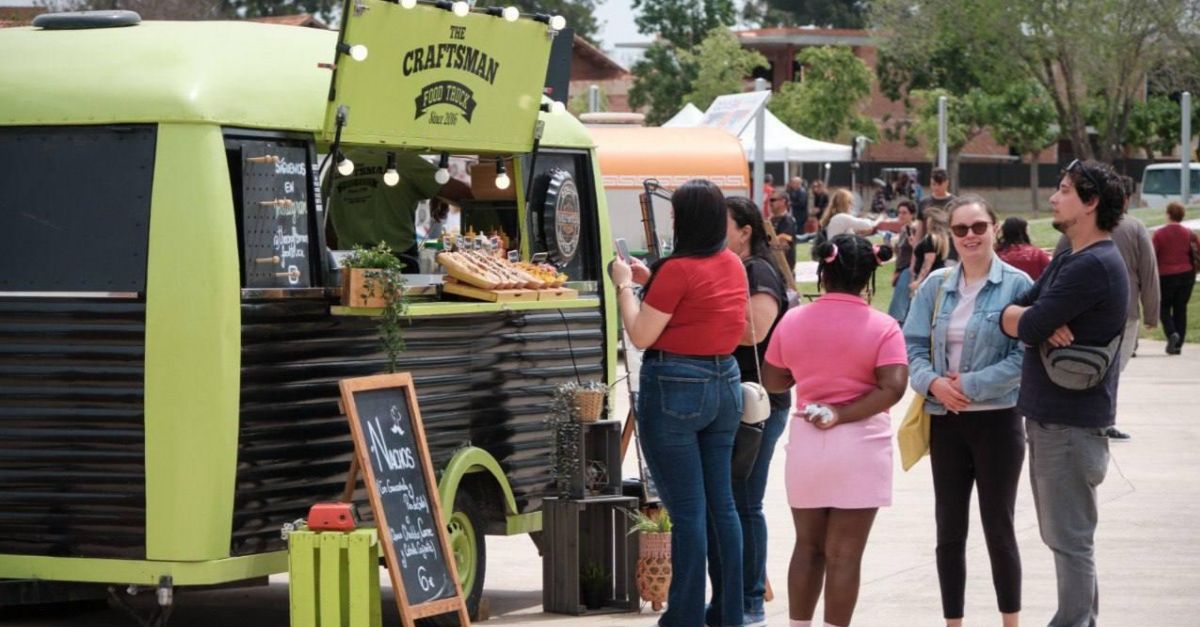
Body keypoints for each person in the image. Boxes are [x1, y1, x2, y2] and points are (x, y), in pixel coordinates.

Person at [609, 179, 746, 627]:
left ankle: (683, 616)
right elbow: (699, 308)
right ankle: (728, 611)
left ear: (681, 219)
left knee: (686, 512)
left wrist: (625, 286)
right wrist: (652, 283)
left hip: (675, 386)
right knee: (721, 505)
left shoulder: (679, 270)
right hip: (724, 380)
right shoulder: (732, 264)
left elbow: (641, 333)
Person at [1000, 159, 1129, 627]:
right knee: (1065, 536)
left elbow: (1028, 320)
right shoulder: (1072, 257)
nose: (1053, 198)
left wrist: (1031, 323)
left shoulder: (1092, 265)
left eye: (1064, 190)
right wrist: (1029, 322)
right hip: (1056, 421)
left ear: (1090, 202)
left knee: (1069, 538)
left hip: (1070, 425)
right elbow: (1017, 315)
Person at [761, 235, 908, 627]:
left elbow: (773, 380)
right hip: (861, 446)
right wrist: (841, 413)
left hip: (807, 444)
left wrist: (810, 373)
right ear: (869, 275)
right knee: (845, 555)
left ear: (824, 270)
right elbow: (892, 387)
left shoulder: (793, 320)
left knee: (807, 548)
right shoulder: (884, 326)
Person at [904, 195, 1033, 627]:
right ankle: (953, 621)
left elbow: (1025, 356)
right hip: (946, 420)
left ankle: (1010, 621)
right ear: (950, 235)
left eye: (979, 227)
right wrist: (935, 383)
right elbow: (913, 347)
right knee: (949, 532)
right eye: (961, 230)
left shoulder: (1017, 285)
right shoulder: (937, 285)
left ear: (995, 228)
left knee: (999, 528)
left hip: (998, 419)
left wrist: (971, 385)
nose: (971, 236)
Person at [710, 196, 793, 627]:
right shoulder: (734, 267)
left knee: (744, 501)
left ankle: (750, 601)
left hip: (758, 403)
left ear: (745, 230)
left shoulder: (757, 270)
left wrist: (700, 318)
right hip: (740, 400)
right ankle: (738, 597)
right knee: (735, 499)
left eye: (721, 222)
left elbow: (754, 330)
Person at [1052, 180, 1159, 441]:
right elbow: (1149, 270)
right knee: (1112, 369)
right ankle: (1102, 419)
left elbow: (1054, 269)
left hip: (1081, 312)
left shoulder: (1077, 228)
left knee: (1085, 363)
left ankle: (1080, 415)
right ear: (1124, 200)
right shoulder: (1134, 227)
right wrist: (1152, 313)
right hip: (1126, 312)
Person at [324, 149, 468, 273]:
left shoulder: (337, 166)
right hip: (398, 265)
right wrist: (439, 193)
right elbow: (465, 194)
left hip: (348, 264)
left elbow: (327, 229)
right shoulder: (403, 160)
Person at [1152, 201, 1198, 354]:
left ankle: (1172, 333)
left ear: (1168, 214)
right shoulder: (1189, 234)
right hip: (1186, 275)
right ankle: (1178, 345)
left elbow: (1153, 255)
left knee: (1163, 307)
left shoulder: (1159, 234)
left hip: (1165, 275)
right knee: (1181, 308)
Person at [887, 200, 918, 323]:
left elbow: (917, 250)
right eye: (899, 212)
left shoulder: (913, 229)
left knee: (897, 309)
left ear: (912, 214)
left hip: (908, 270)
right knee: (906, 307)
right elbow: (900, 253)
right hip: (901, 270)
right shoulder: (904, 229)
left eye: (904, 212)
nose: (901, 215)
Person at [910, 213, 951, 296]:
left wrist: (919, 281)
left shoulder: (930, 238)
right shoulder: (942, 239)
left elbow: (928, 262)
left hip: (929, 279)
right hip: (938, 276)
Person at [769, 191, 799, 271]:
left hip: (783, 268)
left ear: (783, 201)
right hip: (772, 265)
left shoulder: (787, 220)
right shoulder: (771, 220)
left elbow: (783, 246)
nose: (770, 203)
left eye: (773, 200)